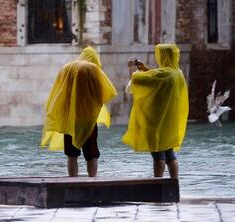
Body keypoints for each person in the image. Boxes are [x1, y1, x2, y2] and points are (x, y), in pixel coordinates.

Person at [41, 45, 117, 177]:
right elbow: (105, 92)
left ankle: (73, 180)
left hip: (69, 117)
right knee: (92, 153)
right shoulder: (92, 68)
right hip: (86, 118)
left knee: (71, 154)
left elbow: (58, 91)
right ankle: (92, 180)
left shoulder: (66, 68)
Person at [122, 43, 189, 178]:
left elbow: (136, 80)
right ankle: (173, 183)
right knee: (169, 152)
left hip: (157, 120)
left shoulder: (162, 74)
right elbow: (155, 76)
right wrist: (144, 68)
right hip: (171, 121)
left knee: (158, 152)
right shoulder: (177, 73)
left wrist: (130, 67)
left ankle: (158, 184)